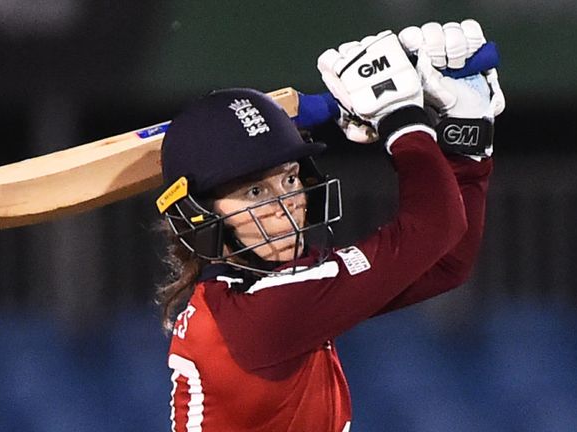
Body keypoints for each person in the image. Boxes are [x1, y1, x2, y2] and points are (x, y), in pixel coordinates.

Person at [154, 19, 503, 432]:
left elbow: (446, 263)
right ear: (199, 215)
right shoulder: (262, 317)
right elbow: (434, 228)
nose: (285, 205)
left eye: (288, 179)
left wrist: (467, 139)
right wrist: (399, 116)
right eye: (254, 193)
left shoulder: (258, 296)